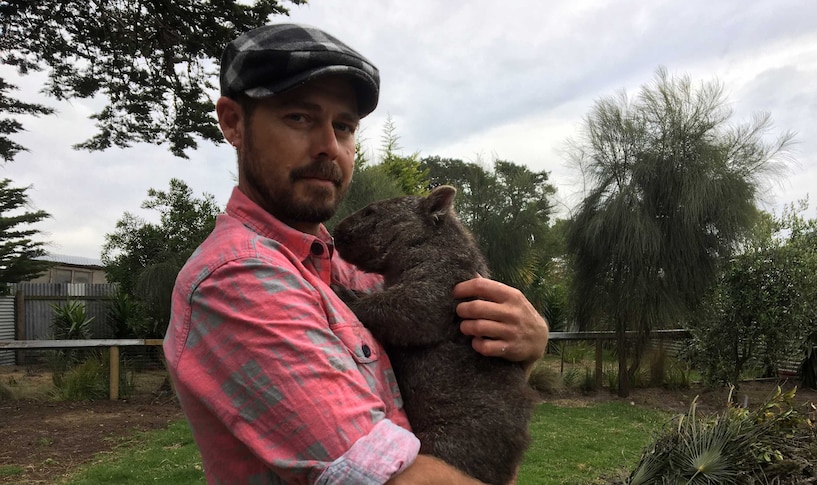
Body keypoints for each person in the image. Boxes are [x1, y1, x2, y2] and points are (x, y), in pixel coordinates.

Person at [164, 23, 549, 484]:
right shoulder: (238, 278)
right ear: (233, 122)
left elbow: (453, 370)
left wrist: (519, 346)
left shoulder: (345, 268)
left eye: (344, 126)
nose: (329, 146)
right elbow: (387, 478)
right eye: (299, 118)